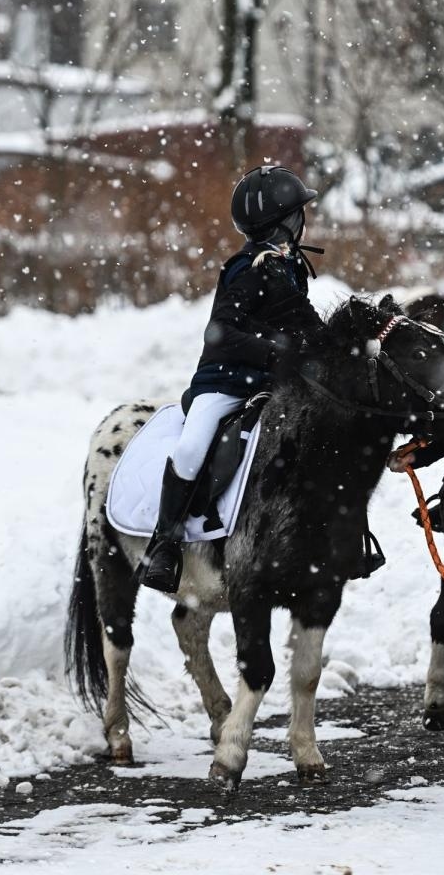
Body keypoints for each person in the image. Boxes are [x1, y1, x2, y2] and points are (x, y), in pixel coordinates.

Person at [140, 164, 327, 594]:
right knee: (190, 449)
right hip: (224, 382)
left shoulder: (289, 267)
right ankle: (164, 543)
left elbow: (304, 322)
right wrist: (277, 352)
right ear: (285, 221)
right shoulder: (246, 268)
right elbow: (221, 331)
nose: (304, 220)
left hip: (271, 384)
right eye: (298, 214)